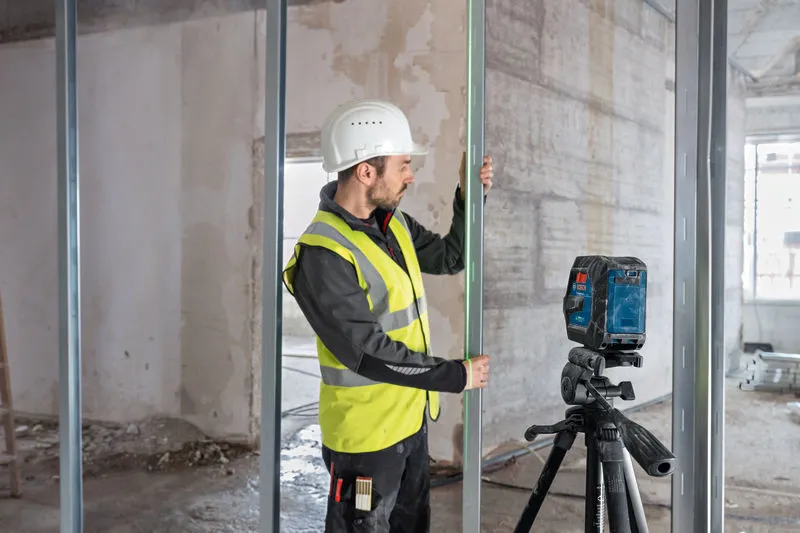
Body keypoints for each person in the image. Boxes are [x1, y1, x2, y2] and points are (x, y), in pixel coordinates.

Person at [281, 98, 493, 533]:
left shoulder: (392, 225)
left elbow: (452, 256)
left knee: (411, 526)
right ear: (366, 172)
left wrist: (469, 198)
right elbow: (367, 353)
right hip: (365, 439)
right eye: (403, 165)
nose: (410, 176)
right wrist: (456, 376)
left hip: (407, 421)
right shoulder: (323, 254)